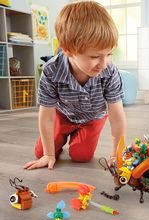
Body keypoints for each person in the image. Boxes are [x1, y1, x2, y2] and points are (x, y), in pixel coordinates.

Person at [24, 1, 126, 170]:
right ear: (68, 50)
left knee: (82, 156)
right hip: (63, 115)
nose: (104, 63)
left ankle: (77, 137)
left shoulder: (110, 72)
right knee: (40, 152)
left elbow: (116, 115)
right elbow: (47, 116)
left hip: (93, 118)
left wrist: (116, 154)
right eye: (95, 56)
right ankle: (59, 140)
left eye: (109, 54)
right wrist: (48, 154)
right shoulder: (51, 71)